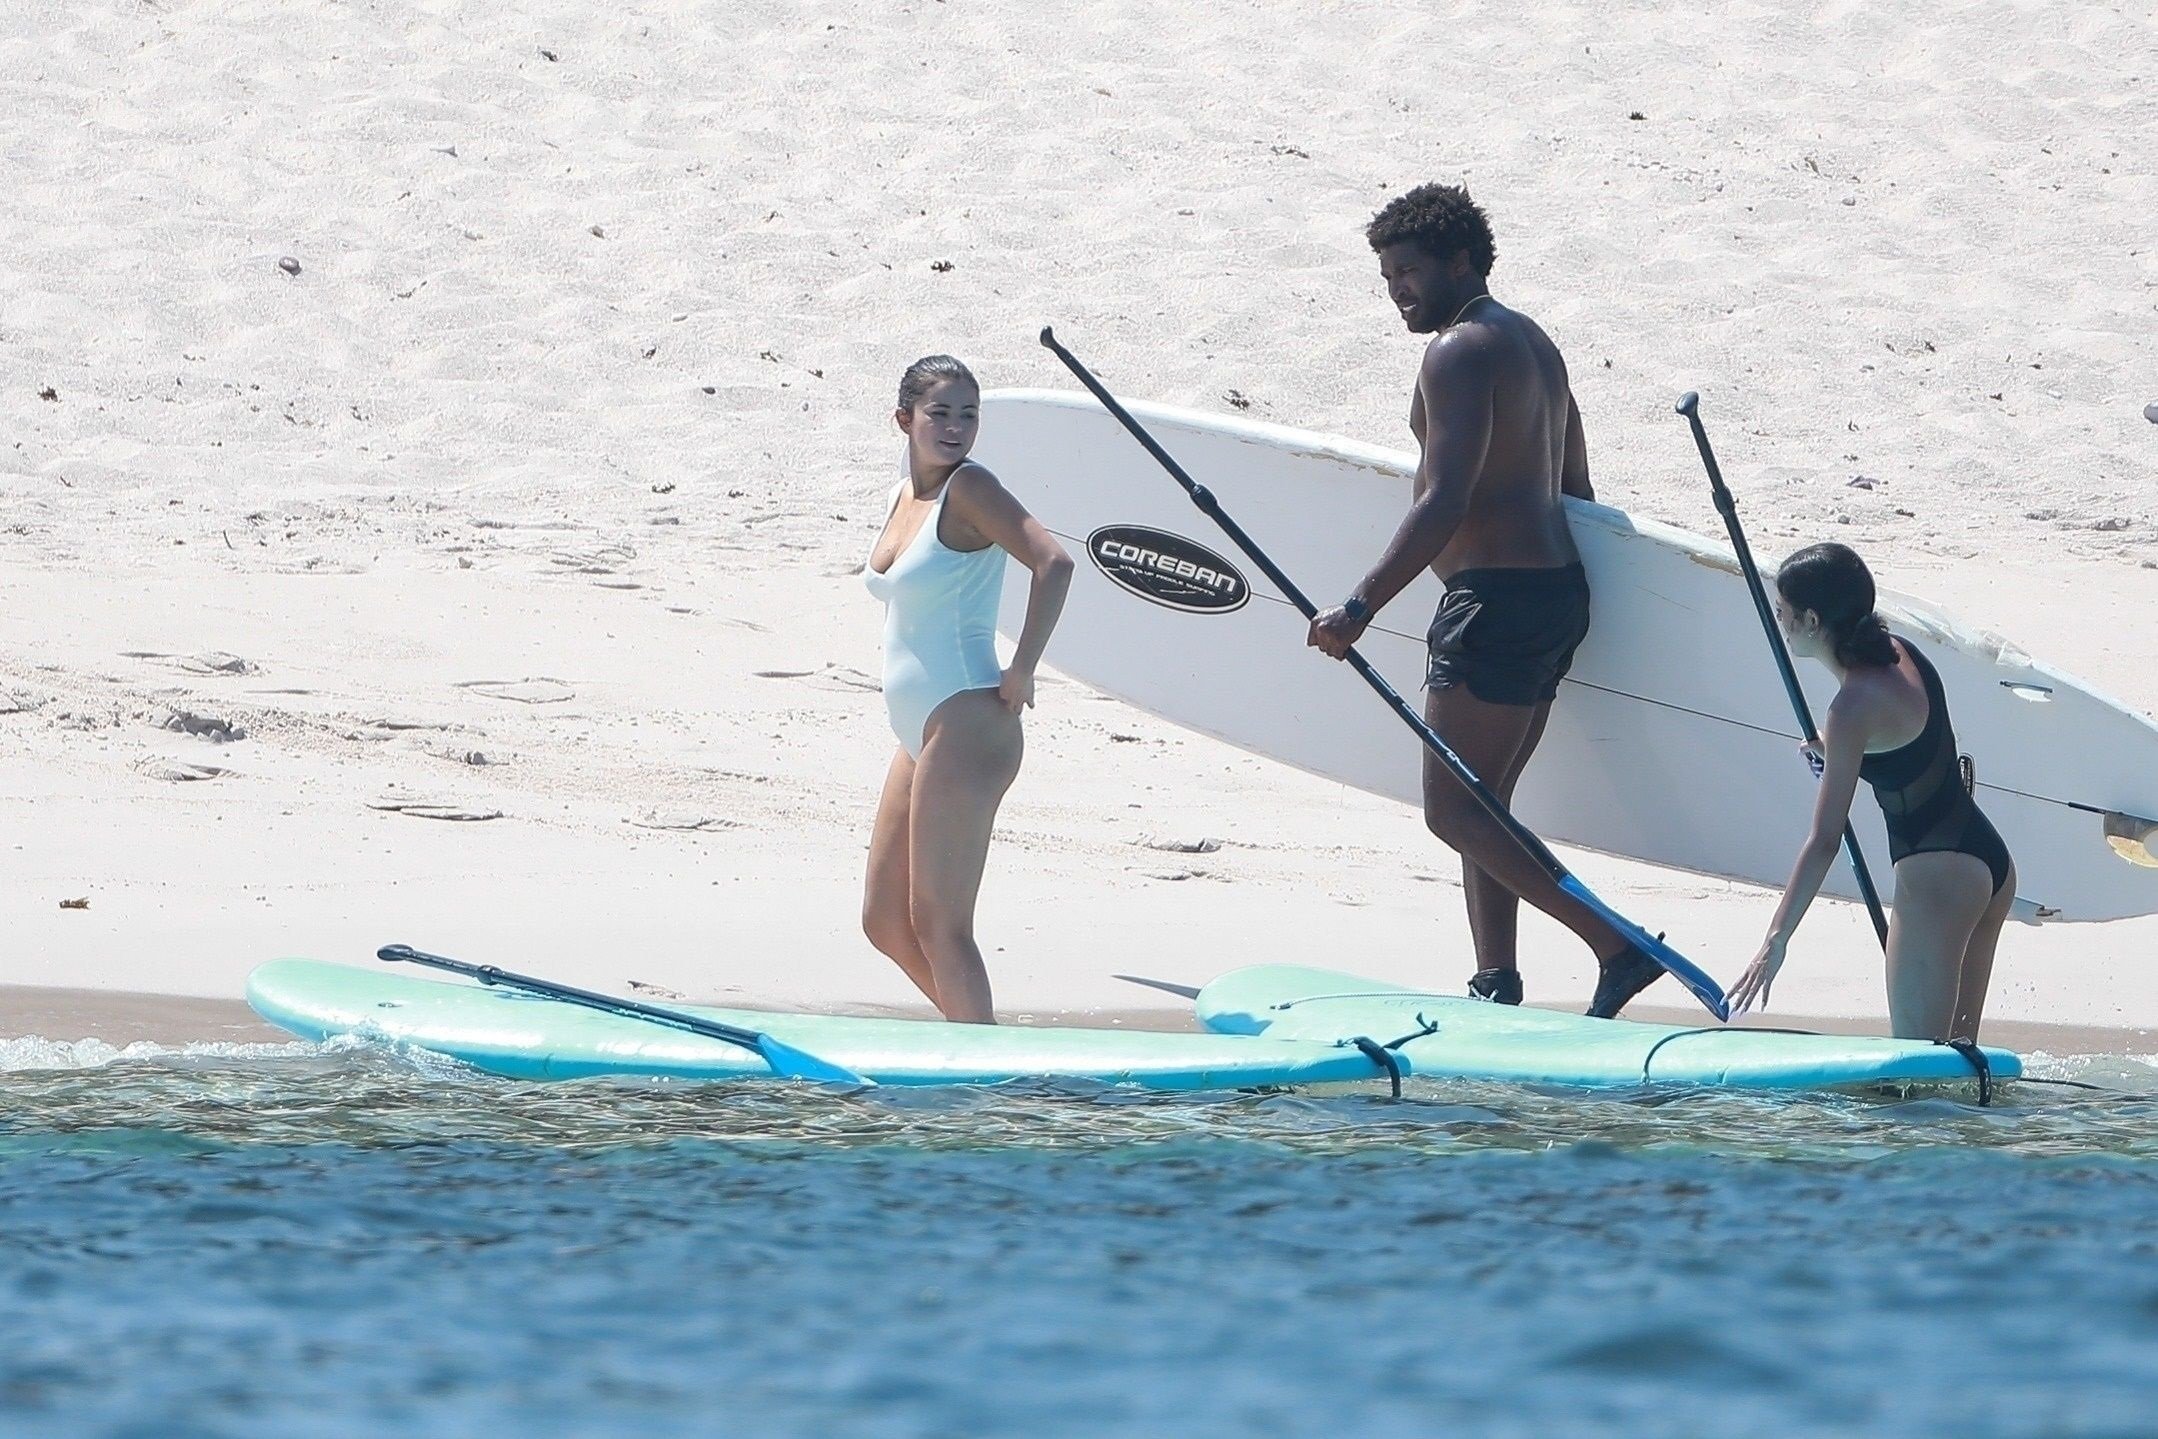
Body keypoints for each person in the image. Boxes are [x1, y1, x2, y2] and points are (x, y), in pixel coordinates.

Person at [1306, 181, 1666, 1019]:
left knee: (1451, 809)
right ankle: (1495, 979)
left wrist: (1359, 608)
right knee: (1484, 802)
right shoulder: (1533, 344)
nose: (1397, 289)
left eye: (1409, 270)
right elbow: (1576, 482)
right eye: (1386, 274)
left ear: (1459, 260)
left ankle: (1617, 947)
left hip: (1495, 603)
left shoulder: (1458, 349)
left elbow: (1445, 497)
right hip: (1552, 594)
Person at [1727, 543, 2014, 1041]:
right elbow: (1913, 740)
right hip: (1987, 864)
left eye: (1783, 613)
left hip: (1938, 884)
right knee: (1959, 1073)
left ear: (1812, 621)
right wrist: (1838, 750)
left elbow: (1823, 840)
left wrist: (1776, 939)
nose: (1780, 622)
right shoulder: (1903, 653)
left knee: (1919, 1082)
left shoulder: (1850, 710)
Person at [861, 356, 1073, 1023]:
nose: (955, 428)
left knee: (940, 924)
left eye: (968, 415)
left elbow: (1053, 561)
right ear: (905, 420)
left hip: (969, 719)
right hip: (919, 728)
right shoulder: (905, 495)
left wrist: (1025, 666)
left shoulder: (971, 489)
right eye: (939, 413)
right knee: (884, 921)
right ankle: (978, 1041)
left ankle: (984, 1070)